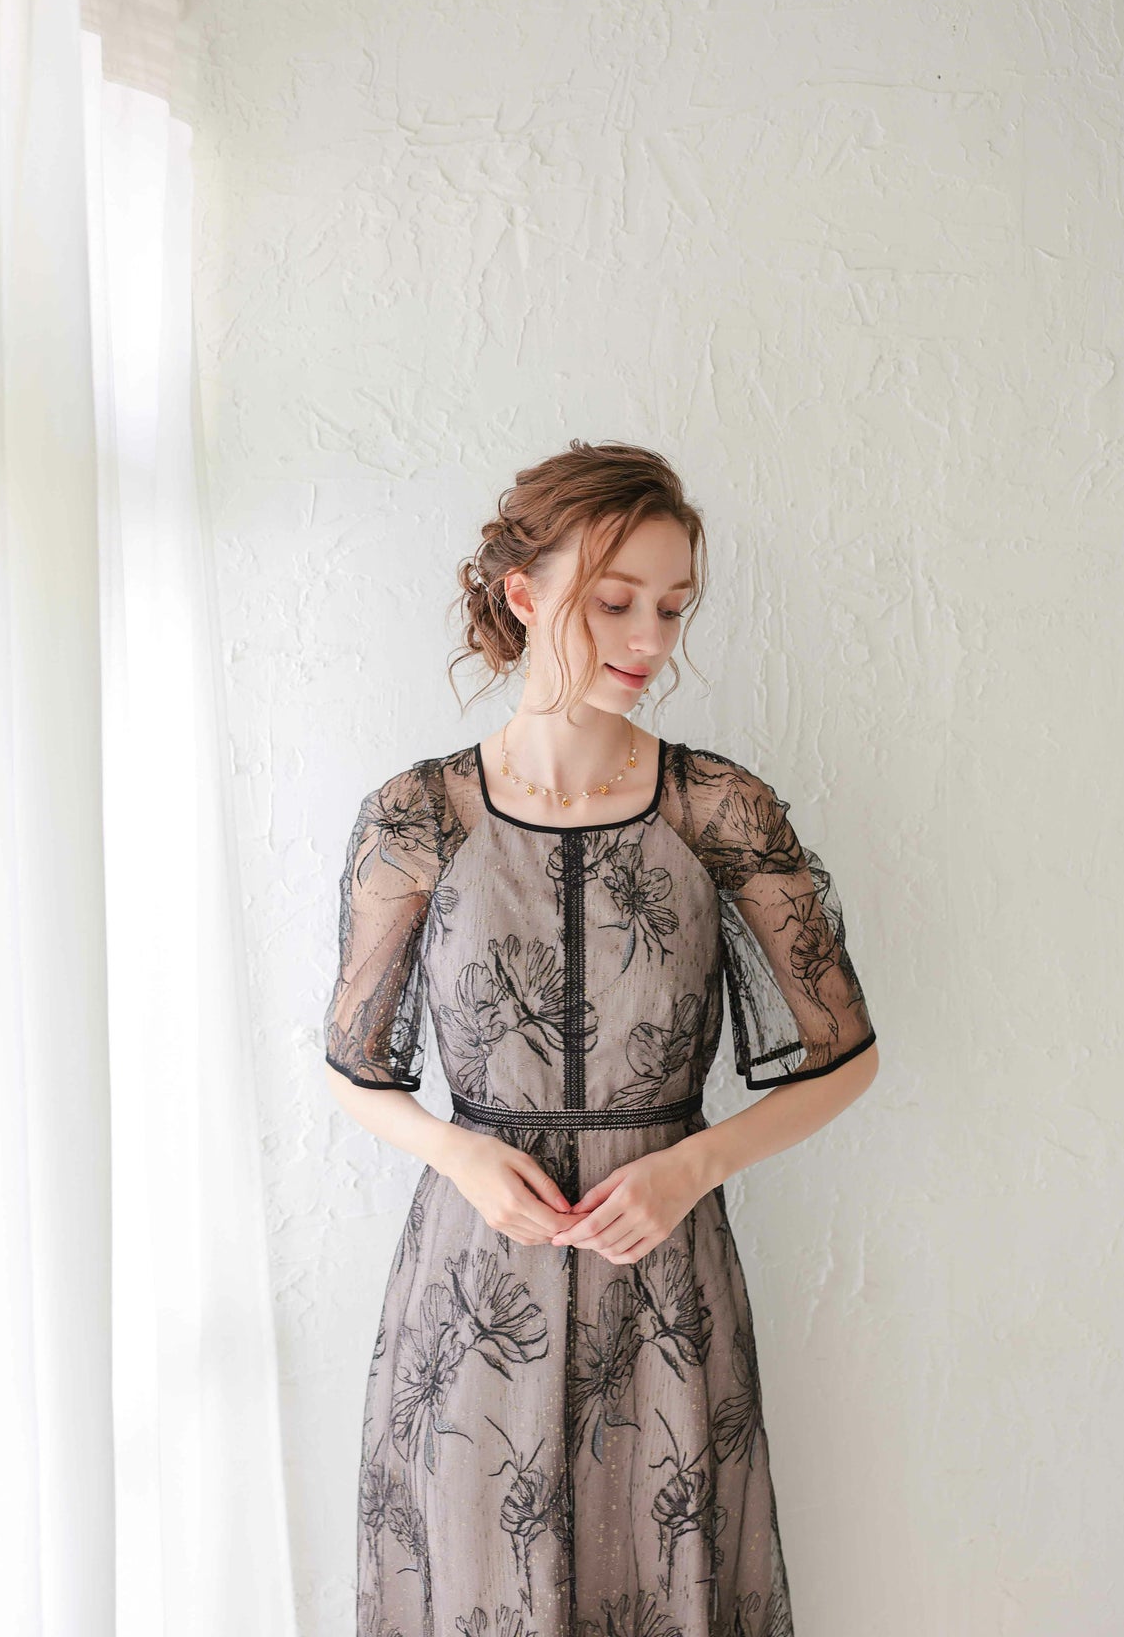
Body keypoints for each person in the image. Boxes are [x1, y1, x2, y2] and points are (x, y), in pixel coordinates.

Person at [323, 440, 879, 1637]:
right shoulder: (416, 815)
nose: (650, 639)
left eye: (673, 607)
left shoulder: (719, 807)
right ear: (525, 596)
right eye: (615, 601)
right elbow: (355, 1070)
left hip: (664, 1279)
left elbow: (847, 1055)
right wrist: (459, 1153)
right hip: (475, 1282)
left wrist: (695, 1164)